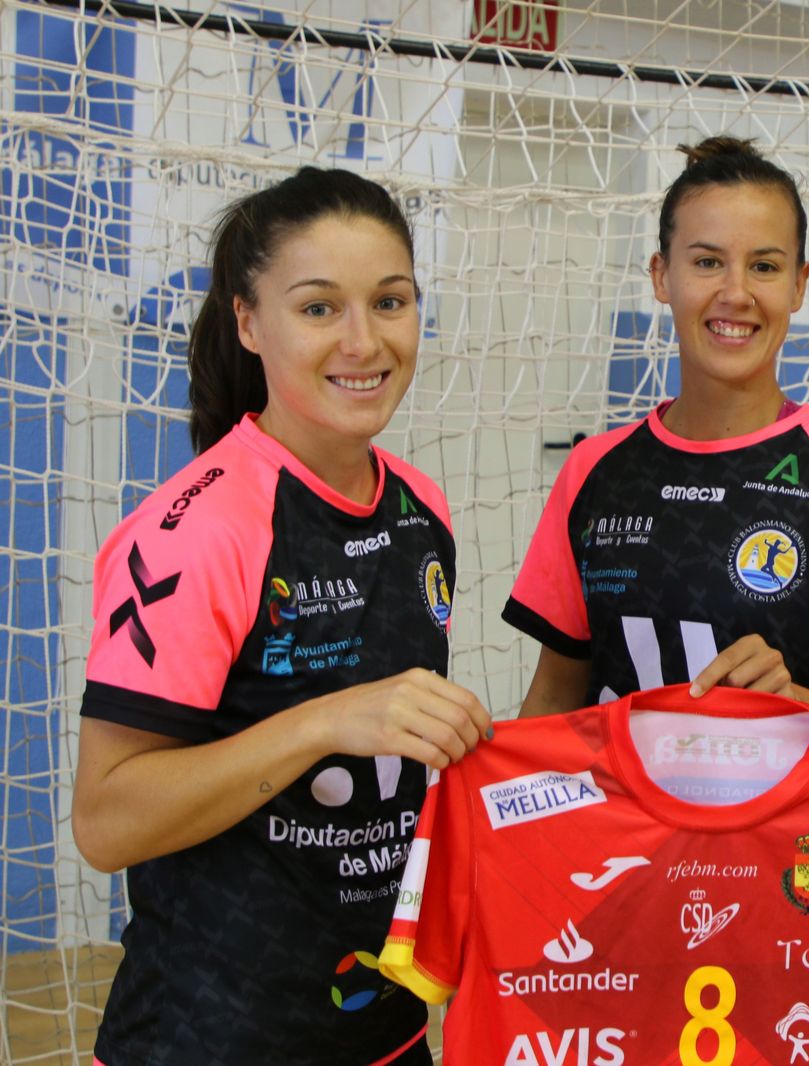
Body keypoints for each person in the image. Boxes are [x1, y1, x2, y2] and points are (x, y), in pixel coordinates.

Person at [72, 166, 493, 1066]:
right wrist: (323, 722)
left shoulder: (422, 509)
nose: (363, 340)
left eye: (390, 301)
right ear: (248, 322)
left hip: (383, 1034)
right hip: (207, 1039)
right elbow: (107, 821)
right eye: (317, 308)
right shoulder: (196, 532)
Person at [505, 136, 809, 717]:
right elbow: (554, 699)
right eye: (707, 262)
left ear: (799, 284)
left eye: (764, 266)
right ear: (661, 276)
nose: (735, 294)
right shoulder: (594, 470)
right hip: (612, 809)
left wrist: (792, 702)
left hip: (787, 810)